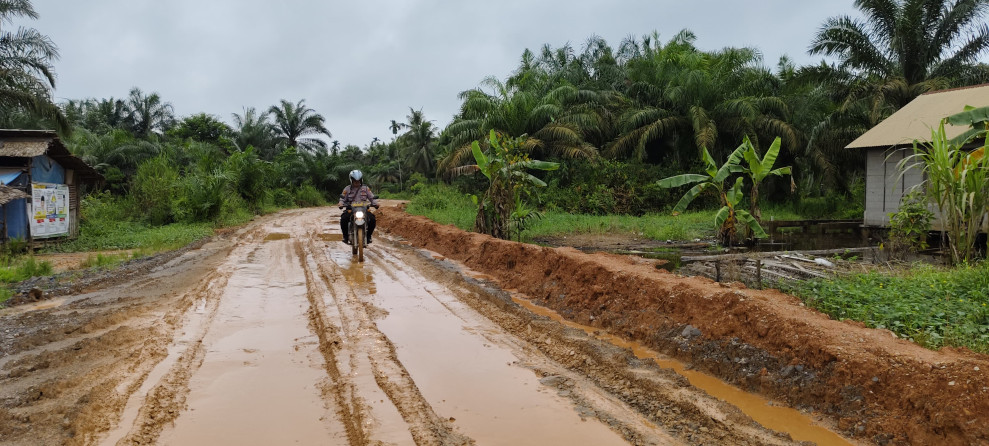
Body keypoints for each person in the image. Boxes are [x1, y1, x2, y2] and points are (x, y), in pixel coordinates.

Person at [338, 169, 380, 245]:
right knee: (343, 219)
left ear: (361, 180)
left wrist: (375, 204)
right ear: (351, 180)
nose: (357, 183)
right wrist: (341, 204)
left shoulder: (366, 188)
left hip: (363, 209)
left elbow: (372, 197)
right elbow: (342, 198)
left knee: (372, 219)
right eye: (355, 181)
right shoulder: (347, 189)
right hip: (351, 209)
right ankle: (345, 237)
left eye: (358, 181)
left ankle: (368, 236)